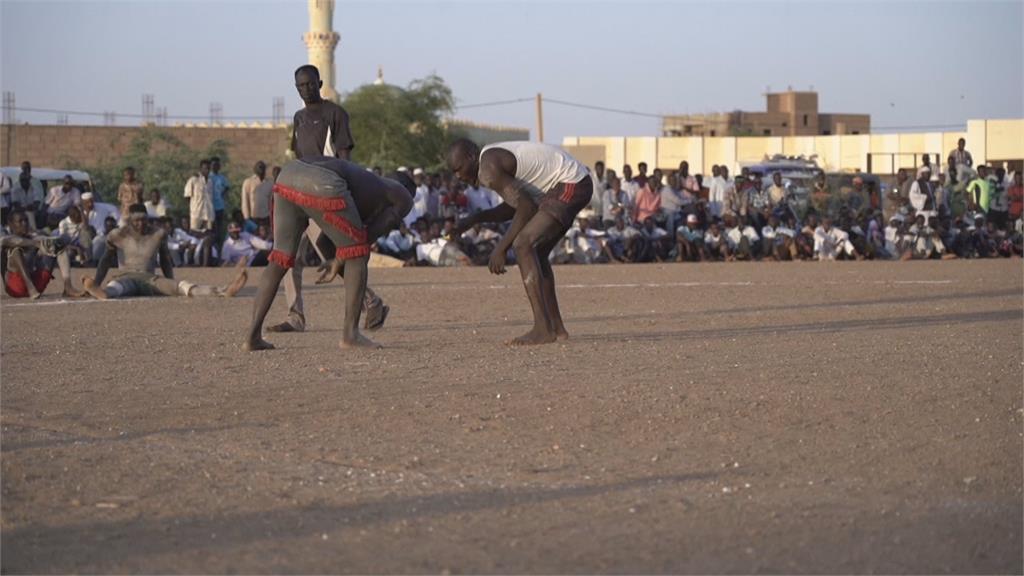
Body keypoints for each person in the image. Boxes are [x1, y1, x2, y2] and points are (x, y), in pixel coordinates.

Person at [243, 157, 413, 351]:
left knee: (279, 259)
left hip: (289, 174)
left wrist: (336, 260)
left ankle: (252, 337)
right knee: (358, 256)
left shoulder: (368, 185)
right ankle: (351, 335)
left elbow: (324, 240)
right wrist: (341, 259)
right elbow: (363, 243)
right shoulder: (404, 196)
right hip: (320, 181)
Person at [269, 64, 390, 334]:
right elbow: (299, 156)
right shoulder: (299, 118)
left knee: (333, 255)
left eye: (310, 84)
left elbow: (345, 160)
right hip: (298, 193)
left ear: (320, 83)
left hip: (325, 193)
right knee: (288, 256)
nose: (306, 89)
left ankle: (371, 301)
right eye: (300, 86)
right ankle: (295, 317)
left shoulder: (335, 114)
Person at [447, 138, 593, 345]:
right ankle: (556, 328)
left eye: (459, 168)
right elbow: (514, 205)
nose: (458, 176)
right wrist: (474, 219)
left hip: (570, 183)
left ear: (471, 157)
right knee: (537, 252)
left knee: (523, 244)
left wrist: (501, 247)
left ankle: (543, 329)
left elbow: (525, 207)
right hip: (569, 184)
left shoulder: (488, 167)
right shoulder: (489, 162)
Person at [82, 204, 247, 300]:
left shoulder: (158, 234)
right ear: (130, 221)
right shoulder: (117, 234)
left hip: (150, 279)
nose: (141, 224)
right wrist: (97, 280)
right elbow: (105, 260)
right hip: (126, 276)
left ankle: (223, 290)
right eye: (137, 221)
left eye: (144, 220)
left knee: (183, 287)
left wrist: (170, 283)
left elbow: (166, 260)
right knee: (116, 288)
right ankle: (100, 292)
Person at [1, 209, 82, 299]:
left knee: (58, 248)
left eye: (26, 220)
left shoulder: (34, 237)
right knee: (16, 250)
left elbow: (50, 240)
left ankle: (68, 286)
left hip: (37, 285)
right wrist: (36, 244)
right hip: (15, 287)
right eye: (20, 221)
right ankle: (30, 287)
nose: (24, 224)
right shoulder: (6, 239)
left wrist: (55, 242)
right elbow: (9, 241)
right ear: (11, 224)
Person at [184, 159, 215, 232]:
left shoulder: (210, 181)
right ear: (200, 169)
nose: (207, 170)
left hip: (208, 213)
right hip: (196, 213)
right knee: (194, 234)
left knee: (208, 235)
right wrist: (194, 207)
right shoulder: (193, 180)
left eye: (208, 168)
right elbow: (187, 196)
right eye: (205, 168)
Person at [241, 161, 273, 227]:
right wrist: (247, 217)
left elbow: (271, 200)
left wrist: (271, 215)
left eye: (262, 167)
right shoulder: (248, 182)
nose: (261, 169)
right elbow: (245, 201)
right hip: (253, 217)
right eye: (259, 167)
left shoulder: (269, 183)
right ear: (255, 169)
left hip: (266, 216)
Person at [209, 157, 230, 242]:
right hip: (210, 206)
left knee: (219, 227)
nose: (216, 167)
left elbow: (227, 187)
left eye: (217, 165)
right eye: (214, 165)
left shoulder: (221, 177)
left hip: (219, 206)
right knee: (210, 227)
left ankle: (219, 244)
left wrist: (222, 194)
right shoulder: (208, 177)